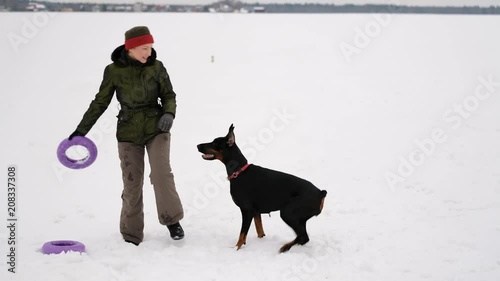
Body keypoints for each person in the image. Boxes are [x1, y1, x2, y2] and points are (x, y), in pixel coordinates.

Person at [68, 26, 184, 246]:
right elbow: (100, 102)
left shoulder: (157, 67)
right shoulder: (113, 71)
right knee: (132, 181)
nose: (148, 52)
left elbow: (169, 95)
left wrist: (169, 112)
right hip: (128, 131)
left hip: (156, 128)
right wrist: (81, 130)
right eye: (144, 48)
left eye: (150, 48)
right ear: (130, 48)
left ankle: (172, 220)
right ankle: (131, 232)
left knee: (161, 174)